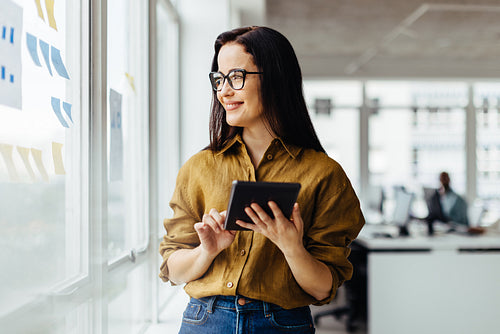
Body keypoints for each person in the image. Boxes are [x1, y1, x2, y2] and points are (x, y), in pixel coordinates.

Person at [159, 26, 365, 334]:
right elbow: (172, 270)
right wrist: (207, 250)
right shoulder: (199, 167)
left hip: (282, 323)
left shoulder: (324, 174)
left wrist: (291, 246)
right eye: (219, 78)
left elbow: (323, 289)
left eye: (236, 77)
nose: (224, 91)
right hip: (206, 320)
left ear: (275, 80)